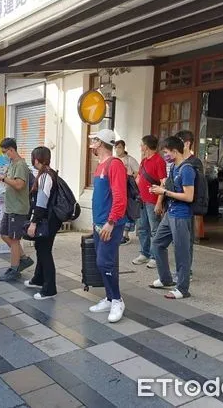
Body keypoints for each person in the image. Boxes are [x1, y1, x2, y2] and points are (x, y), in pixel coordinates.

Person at [87, 129, 128, 323]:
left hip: (110, 224)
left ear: (101, 143)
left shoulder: (115, 164)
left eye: (94, 141)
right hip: (99, 224)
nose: (92, 144)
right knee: (101, 262)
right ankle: (110, 297)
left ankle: (117, 300)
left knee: (105, 262)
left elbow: (120, 197)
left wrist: (111, 222)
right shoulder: (101, 165)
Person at [149, 136, 195, 299]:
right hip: (171, 213)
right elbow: (168, 187)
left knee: (181, 252)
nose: (165, 156)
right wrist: (159, 191)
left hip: (181, 216)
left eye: (166, 152)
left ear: (175, 151)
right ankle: (166, 278)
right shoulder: (174, 168)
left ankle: (182, 289)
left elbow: (189, 196)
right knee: (157, 244)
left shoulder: (186, 169)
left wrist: (165, 193)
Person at [0, 138, 34, 282]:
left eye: (5, 152)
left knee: (15, 239)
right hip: (10, 207)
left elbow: (19, 184)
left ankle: (14, 269)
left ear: (11, 150)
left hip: (18, 208)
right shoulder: (11, 164)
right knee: (4, 234)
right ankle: (23, 259)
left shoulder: (21, 165)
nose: (4, 155)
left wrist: (3, 179)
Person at [24, 147, 62, 300]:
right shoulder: (50, 173)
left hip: (47, 220)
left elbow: (41, 203)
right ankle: (38, 279)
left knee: (45, 252)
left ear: (37, 159)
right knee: (41, 249)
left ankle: (49, 288)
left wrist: (33, 223)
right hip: (51, 219)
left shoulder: (45, 176)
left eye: (33, 158)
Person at [132, 135, 166, 268]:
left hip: (153, 201)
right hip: (141, 200)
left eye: (141, 144)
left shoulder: (159, 161)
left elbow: (163, 183)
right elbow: (139, 178)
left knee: (155, 229)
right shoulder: (144, 161)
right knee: (141, 228)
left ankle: (155, 256)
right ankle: (144, 253)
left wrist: (159, 202)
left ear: (146, 146)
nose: (140, 147)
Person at [115, 140, 139, 246]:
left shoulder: (130, 160)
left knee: (127, 210)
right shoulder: (114, 160)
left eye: (119, 147)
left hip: (127, 189)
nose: (117, 149)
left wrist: (131, 178)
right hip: (117, 188)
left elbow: (138, 171)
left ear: (124, 148)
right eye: (116, 147)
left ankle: (125, 234)